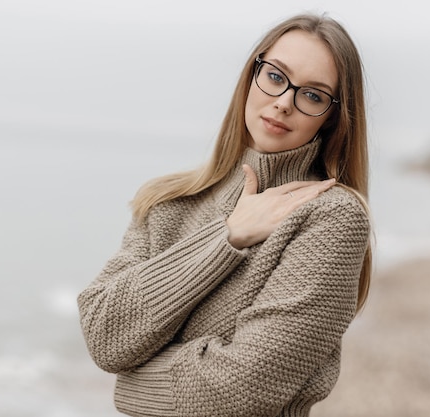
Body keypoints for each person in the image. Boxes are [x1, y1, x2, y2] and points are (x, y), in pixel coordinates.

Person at [78, 13, 372, 417]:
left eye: (313, 96)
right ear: (251, 75)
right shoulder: (167, 201)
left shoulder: (331, 219)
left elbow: (238, 391)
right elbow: (103, 336)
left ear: (333, 117)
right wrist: (227, 236)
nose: (284, 102)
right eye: (275, 76)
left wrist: (130, 388)